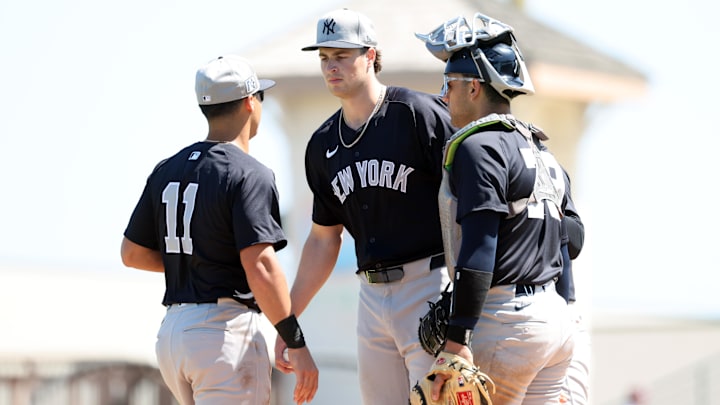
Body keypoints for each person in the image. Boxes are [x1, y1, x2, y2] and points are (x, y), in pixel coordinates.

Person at [272, 8, 456, 404]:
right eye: (323, 57)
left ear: (371, 55)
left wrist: (470, 293)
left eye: (341, 55)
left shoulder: (417, 114)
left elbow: (468, 201)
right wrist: (289, 320)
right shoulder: (322, 145)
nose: (330, 66)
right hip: (371, 297)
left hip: (431, 284)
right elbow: (323, 240)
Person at [120, 55, 318, 405]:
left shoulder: (167, 168)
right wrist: (295, 340)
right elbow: (261, 266)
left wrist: (201, 260)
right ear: (249, 102)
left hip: (173, 334)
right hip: (222, 332)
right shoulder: (248, 172)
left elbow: (132, 254)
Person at [416, 13, 576, 404]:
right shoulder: (542, 150)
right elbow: (572, 241)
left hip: (506, 321)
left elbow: (480, 247)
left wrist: (458, 337)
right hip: (555, 322)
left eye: (449, 84)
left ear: (473, 88)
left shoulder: (479, 146)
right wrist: (567, 309)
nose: (443, 95)